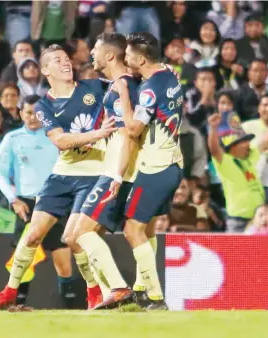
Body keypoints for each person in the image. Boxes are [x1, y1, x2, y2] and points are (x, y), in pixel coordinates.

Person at [0, 44, 116, 311]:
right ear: (45, 70)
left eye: (66, 58)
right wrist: (97, 135)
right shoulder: (44, 105)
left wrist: (155, 72)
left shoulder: (94, 87)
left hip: (93, 174)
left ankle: (93, 293)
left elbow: (124, 81)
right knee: (32, 237)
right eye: (57, 60)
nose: (65, 62)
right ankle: (9, 292)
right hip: (62, 175)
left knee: (74, 240)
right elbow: (61, 140)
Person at [78, 32, 184, 310]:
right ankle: (139, 290)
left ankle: (152, 297)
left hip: (151, 167)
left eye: (129, 54)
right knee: (145, 230)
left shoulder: (141, 88)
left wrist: (124, 95)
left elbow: (132, 131)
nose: (125, 58)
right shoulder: (168, 78)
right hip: (170, 163)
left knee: (130, 230)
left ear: (139, 58)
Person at [0, 94, 76, 310]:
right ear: (20, 113)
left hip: (55, 201)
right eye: (28, 112)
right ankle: (18, 306)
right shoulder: (12, 139)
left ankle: (72, 309)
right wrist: (13, 199)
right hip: (26, 203)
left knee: (63, 261)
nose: (33, 117)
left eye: (37, 113)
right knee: (24, 260)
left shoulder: (56, 137)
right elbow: (1, 175)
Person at [72, 32, 142, 308]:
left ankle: (117, 288)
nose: (91, 54)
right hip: (117, 169)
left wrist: (116, 174)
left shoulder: (121, 87)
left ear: (110, 55)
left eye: (96, 49)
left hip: (118, 172)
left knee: (83, 234)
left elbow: (127, 135)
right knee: (81, 235)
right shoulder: (125, 83)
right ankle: (112, 295)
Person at [207, 110, 266, 232]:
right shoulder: (226, 162)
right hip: (239, 221)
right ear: (233, 146)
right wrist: (213, 128)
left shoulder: (249, 159)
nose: (248, 144)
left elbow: (266, 142)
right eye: (244, 142)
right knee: (236, 252)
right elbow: (214, 149)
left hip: (258, 220)